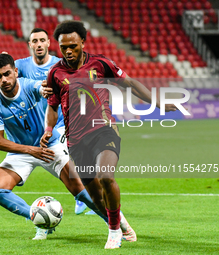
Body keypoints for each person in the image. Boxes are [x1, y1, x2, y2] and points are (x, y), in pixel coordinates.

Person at [40, 21, 177, 249]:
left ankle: (113, 231)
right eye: (64, 47)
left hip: (104, 130)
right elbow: (52, 107)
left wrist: (158, 103)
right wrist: (48, 129)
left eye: (73, 45)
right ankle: (121, 223)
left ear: (83, 42)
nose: (68, 51)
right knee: (95, 196)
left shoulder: (101, 64)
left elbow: (130, 83)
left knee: (105, 176)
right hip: (75, 140)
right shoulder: (55, 73)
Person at [0, 53, 118, 241]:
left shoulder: (28, 84)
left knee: (81, 190)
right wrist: (31, 150)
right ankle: (40, 218)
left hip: (49, 145)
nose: (4, 80)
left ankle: (115, 223)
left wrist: (45, 90)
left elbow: (40, 88)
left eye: (7, 74)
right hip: (23, 151)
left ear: (16, 72)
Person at [15, 28, 89, 215]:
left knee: (72, 158)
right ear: (30, 45)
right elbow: (7, 78)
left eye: (42, 40)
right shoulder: (21, 66)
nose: (39, 44)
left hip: (62, 122)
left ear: (48, 43)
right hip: (37, 127)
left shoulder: (60, 64)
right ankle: (84, 195)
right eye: (35, 41)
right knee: (64, 162)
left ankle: (84, 197)